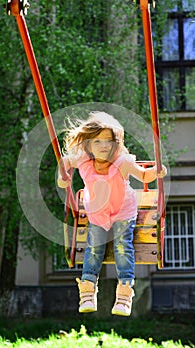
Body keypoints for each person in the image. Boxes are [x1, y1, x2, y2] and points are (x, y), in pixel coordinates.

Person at [57, 111, 167, 316]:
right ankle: (88, 292)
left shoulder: (122, 162)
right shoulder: (82, 160)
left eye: (109, 141)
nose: (104, 146)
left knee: (122, 247)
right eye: (97, 141)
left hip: (122, 211)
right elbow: (65, 161)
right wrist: (62, 179)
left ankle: (124, 294)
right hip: (97, 213)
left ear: (116, 143)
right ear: (88, 143)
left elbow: (143, 174)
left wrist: (157, 172)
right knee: (94, 248)